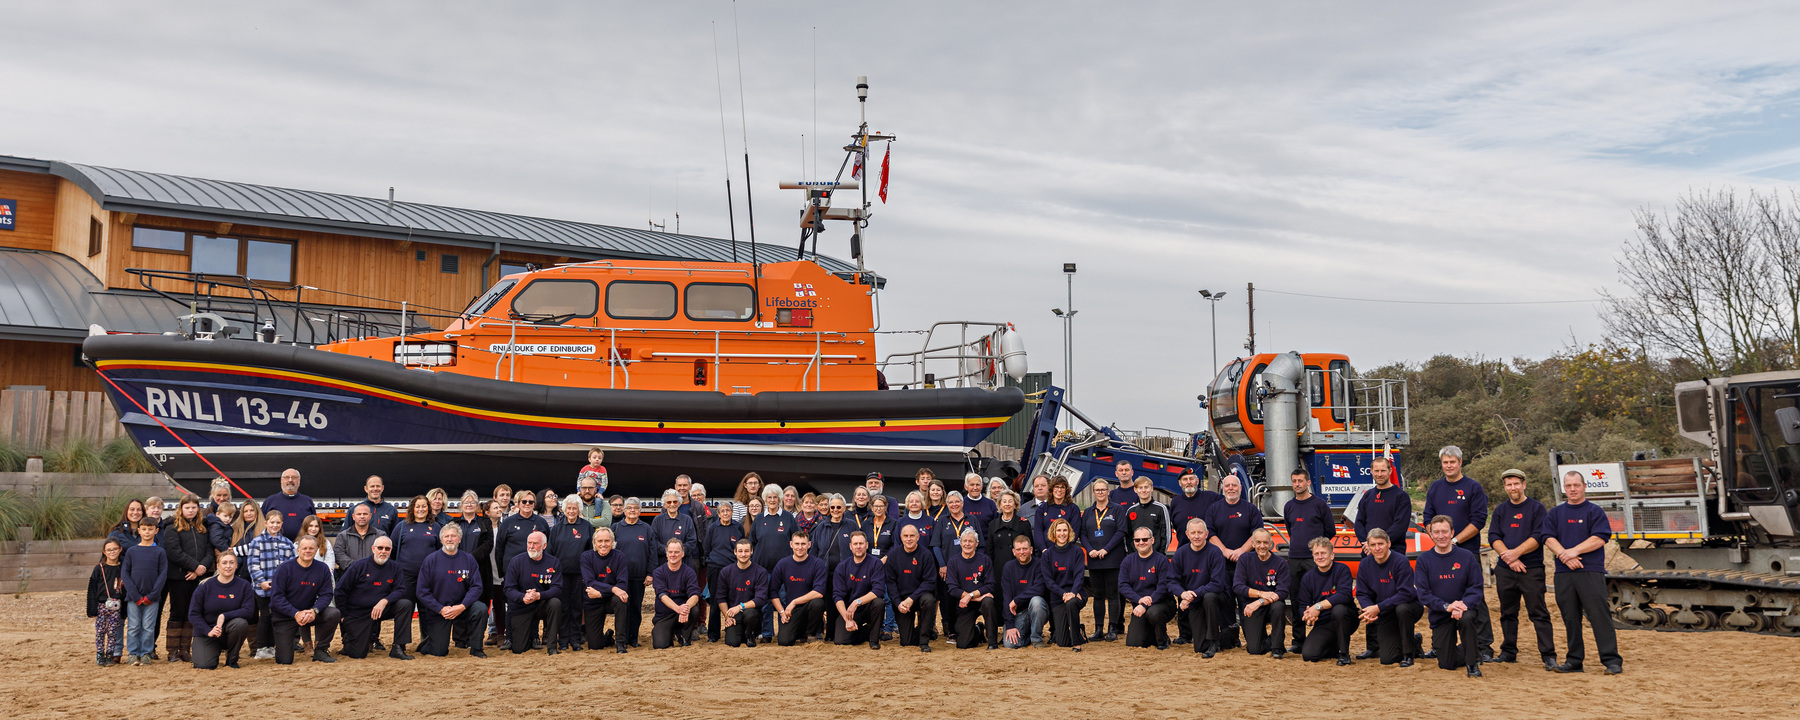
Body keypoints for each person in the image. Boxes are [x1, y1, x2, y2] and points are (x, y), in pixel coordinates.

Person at [1544, 470, 1622, 674]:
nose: (1572, 489)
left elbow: (1600, 537)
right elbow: (1548, 537)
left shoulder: (1594, 512)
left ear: (1584, 486)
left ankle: (1612, 661)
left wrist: (1573, 552)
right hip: (1563, 572)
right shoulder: (1555, 513)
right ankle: (1574, 661)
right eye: (1568, 486)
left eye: (1576, 485)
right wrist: (1564, 556)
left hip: (1590, 571)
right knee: (1570, 617)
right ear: (1564, 488)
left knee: (1599, 615)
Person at [1421, 445, 1493, 659]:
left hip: (1467, 552)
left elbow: (1479, 520)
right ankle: (1439, 644)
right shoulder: (1435, 488)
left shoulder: (1473, 487)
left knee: (1475, 598)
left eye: (1453, 462)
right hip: (1439, 554)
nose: (1449, 466)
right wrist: (1438, 540)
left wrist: (1454, 541)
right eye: (1445, 462)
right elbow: (1427, 518)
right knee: (1440, 597)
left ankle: (1483, 647)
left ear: (1460, 463)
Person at [1489, 468, 1555, 670]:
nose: (1513, 488)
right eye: (1509, 485)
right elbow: (1493, 537)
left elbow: (1538, 537)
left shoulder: (1536, 508)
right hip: (1505, 570)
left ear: (1524, 484)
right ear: (1504, 487)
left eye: (1516, 484)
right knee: (1508, 612)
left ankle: (1548, 655)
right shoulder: (1500, 510)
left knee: (1539, 612)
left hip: (1531, 569)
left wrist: (1516, 553)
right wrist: (1509, 559)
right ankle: (1509, 651)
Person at [1414, 515, 1484, 677]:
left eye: (1445, 531)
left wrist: (1462, 604)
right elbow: (1423, 594)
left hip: (1465, 609)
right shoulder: (1424, 560)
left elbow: (1476, 587)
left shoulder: (1467, 557)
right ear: (1430, 534)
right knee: (1446, 663)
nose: (1441, 536)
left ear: (1452, 532)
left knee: (1466, 619)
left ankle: (1472, 664)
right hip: (1441, 613)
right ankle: (1472, 649)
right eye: (1436, 532)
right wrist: (1447, 606)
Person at [1281, 468, 1336, 653]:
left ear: (1308, 482)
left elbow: (1330, 531)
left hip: (1315, 560)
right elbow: (1291, 530)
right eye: (1294, 481)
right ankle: (1298, 640)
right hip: (1294, 558)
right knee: (1296, 600)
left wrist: (1318, 551)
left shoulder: (1319, 505)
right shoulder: (1289, 506)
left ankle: (1324, 634)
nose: (1297, 484)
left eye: (1300, 481)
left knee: (1320, 596)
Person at [414, 522, 488, 658]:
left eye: (453, 536)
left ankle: (476, 647)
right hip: (440, 611)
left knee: (481, 609)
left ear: (459, 539)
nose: (450, 539)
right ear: (441, 539)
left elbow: (476, 587)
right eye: (446, 536)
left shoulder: (469, 559)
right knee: (439, 652)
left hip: (462, 607)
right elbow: (422, 591)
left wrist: (462, 606)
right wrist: (440, 609)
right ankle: (427, 642)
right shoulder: (430, 560)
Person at [333, 535, 412, 660]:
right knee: (357, 654)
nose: (383, 551)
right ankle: (350, 639)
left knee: (405, 604)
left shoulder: (395, 567)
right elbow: (340, 590)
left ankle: (398, 647)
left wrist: (385, 601)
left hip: (381, 609)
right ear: (373, 549)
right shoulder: (359, 566)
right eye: (380, 548)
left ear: (391, 550)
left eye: (387, 549)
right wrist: (343, 615)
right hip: (359, 613)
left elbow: (401, 590)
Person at [1206, 473, 1261, 649]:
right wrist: (1225, 551)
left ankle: (1251, 638)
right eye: (1227, 485)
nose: (1231, 488)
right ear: (1223, 488)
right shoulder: (1214, 509)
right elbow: (1210, 533)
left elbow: (1257, 535)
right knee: (1226, 603)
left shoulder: (1250, 509)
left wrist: (1240, 552)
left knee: (1245, 601)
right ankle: (1231, 639)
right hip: (1221, 565)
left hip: (1245, 565)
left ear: (1240, 488)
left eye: (1234, 485)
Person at [1354, 528, 1424, 666]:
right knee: (1388, 659)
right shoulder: (1365, 564)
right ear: (1368, 546)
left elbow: (1405, 593)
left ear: (1389, 544)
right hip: (1385, 612)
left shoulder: (1400, 561)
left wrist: (1378, 607)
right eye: (1373, 545)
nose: (1377, 548)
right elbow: (1362, 593)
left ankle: (1408, 654)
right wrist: (1368, 609)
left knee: (1402, 609)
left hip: (1409, 607)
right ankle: (1414, 641)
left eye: (1380, 544)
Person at [159, 495, 214, 663]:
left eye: (194, 507)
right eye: (187, 507)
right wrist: (193, 566)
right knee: (177, 613)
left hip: (198, 577)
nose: (191, 510)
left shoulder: (203, 527)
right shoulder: (172, 527)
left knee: (192, 613)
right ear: (181, 508)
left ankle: (185, 649)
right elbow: (173, 551)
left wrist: (201, 568)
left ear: (198, 508)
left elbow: (210, 549)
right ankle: (173, 651)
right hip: (179, 577)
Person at [270, 535, 341, 664]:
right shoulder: (285, 569)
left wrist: (315, 610)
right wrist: (295, 613)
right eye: (304, 548)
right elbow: (276, 598)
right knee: (284, 660)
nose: (308, 551)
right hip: (286, 616)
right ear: (298, 550)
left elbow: (326, 594)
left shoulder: (322, 569)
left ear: (316, 550)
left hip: (309, 614)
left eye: (311, 548)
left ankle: (321, 650)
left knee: (333, 613)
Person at [493, 489, 549, 647]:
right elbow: (500, 549)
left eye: (531, 502)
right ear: (517, 504)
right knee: (512, 604)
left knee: (534, 602)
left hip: (535, 570)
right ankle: (509, 637)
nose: (527, 505)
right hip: (512, 572)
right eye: (524, 501)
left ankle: (534, 637)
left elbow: (547, 546)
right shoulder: (508, 523)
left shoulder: (541, 522)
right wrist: (502, 570)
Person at [1172, 518, 1230, 657]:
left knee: (1209, 598)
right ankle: (1228, 636)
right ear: (1187, 534)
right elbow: (1171, 581)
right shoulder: (1181, 553)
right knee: (1199, 647)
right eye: (1193, 533)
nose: (1196, 536)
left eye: (1200, 532)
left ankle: (1214, 641)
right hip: (1195, 600)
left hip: (1217, 596)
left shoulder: (1215, 552)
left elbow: (1217, 584)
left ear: (1206, 534)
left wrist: (1191, 596)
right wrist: (1182, 594)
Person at [1296, 537, 1357, 664]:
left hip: (1346, 618)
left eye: (1323, 553)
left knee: (1338, 609)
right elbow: (1303, 604)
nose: (1320, 557)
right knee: (1309, 655)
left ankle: (1344, 654)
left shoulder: (1342, 569)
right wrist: (1308, 615)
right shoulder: (1308, 578)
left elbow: (1345, 594)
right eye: (1316, 554)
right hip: (1323, 622)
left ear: (1332, 555)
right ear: (1313, 557)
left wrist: (1318, 607)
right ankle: (1333, 647)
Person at [188, 551, 254, 669]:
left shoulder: (244, 585)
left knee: (240, 623)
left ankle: (232, 659)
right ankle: (212, 651)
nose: (228, 566)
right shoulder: (204, 586)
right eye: (224, 563)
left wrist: (224, 616)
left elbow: (248, 610)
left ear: (236, 565)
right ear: (218, 565)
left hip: (229, 631)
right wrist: (208, 631)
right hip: (207, 632)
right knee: (204, 665)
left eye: (231, 562)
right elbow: (193, 614)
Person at [243, 510, 294, 660]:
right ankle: (261, 647)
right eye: (272, 522)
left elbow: (292, 565)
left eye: (278, 523)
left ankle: (272, 646)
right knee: (265, 616)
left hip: (281, 589)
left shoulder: (287, 543)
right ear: (266, 523)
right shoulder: (257, 542)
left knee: (276, 616)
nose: (275, 525)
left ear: (282, 524)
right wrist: (261, 581)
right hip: (263, 588)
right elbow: (253, 564)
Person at [504, 531, 563, 654]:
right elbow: (508, 589)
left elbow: (557, 588)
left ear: (544, 546)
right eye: (529, 543)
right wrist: (523, 597)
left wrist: (539, 595)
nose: (531, 546)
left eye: (535, 543)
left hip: (542, 604)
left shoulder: (553, 562)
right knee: (519, 649)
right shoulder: (516, 561)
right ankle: (531, 635)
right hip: (522, 606)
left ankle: (552, 646)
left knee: (555, 603)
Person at [548, 496, 594, 650]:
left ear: (579, 509)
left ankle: (575, 638)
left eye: (575, 508)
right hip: (561, 576)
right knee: (563, 607)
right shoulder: (556, 529)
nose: (572, 511)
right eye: (569, 508)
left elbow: (590, 552)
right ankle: (562, 639)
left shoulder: (586, 527)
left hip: (579, 575)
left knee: (576, 606)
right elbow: (551, 552)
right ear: (564, 509)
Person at [1234, 528, 1288, 658]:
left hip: (1269, 605)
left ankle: (1277, 647)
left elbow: (1282, 592)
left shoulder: (1280, 563)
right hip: (1250, 607)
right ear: (1252, 544)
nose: (1262, 546)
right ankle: (1269, 639)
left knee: (1279, 606)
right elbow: (1237, 586)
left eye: (1265, 542)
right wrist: (1261, 594)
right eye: (1258, 542)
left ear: (1271, 544)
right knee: (1254, 649)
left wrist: (1260, 601)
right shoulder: (1244, 559)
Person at [1119, 526, 1176, 650]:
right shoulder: (1128, 561)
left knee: (1154, 613)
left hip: (1162, 604)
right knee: (1134, 642)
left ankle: (1162, 640)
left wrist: (1145, 604)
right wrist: (1139, 600)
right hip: (1139, 606)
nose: (1141, 543)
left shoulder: (1162, 560)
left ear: (1152, 540)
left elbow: (1163, 587)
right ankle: (1152, 633)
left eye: (1145, 539)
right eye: (1137, 540)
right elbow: (1122, 585)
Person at [1082, 478, 1125, 642]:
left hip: (1113, 558)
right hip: (1094, 560)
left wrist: (1105, 549)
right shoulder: (1087, 512)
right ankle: (1099, 629)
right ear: (1093, 493)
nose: (1100, 492)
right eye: (1097, 490)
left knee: (1113, 595)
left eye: (1103, 490)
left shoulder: (1117, 510)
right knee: (1098, 596)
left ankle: (1113, 628)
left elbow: (1121, 531)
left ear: (1108, 492)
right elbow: (1083, 533)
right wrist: (1090, 550)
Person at [885, 524, 938, 652]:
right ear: (901, 537)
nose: (909, 539)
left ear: (918, 537)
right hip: (902, 602)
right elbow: (890, 583)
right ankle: (924, 630)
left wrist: (912, 598)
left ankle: (924, 640)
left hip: (920, 598)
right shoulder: (893, 555)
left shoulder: (926, 554)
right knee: (906, 642)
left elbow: (930, 582)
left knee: (929, 600)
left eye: (912, 536)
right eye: (906, 536)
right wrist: (898, 603)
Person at [943, 527, 999, 649]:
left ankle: (992, 641)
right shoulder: (953, 561)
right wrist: (973, 598)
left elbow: (990, 585)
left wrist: (971, 595)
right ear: (960, 542)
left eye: (971, 541)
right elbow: (952, 588)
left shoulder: (985, 560)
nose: (967, 544)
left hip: (982, 601)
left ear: (977, 544)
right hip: (965, 605)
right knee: (963, 644)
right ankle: (978, 629)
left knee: (989, 602)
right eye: (965, 541)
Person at [771, 531, 828, 646]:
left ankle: (812, 633)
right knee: (784, 641)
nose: (800, 547)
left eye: (803, 544)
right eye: (797, 544)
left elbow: (819, 592)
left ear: (809, 545)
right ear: (791, 544)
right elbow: (772, 591)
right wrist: (782, 612)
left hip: (809, 608)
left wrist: (794, 601)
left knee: (817, 603)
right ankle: (801, 632)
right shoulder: (783, 564)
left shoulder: (817, 564)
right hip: (792, 612)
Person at [702, 498, 747, 642]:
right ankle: (713, 635)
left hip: (734, 568)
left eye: (728, 510)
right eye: (723, 511)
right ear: (718, 513)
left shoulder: (738, 527)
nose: (726, 513)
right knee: (716, 600)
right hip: (715, 568)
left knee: (734, 598)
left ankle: (734, 629)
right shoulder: (712, 528)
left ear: (732, 512)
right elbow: (707, 548)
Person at [122, 520, 167, 665]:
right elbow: (125, 573)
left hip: (152, 598)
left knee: (148, 626)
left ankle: (146, 652)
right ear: (139, 531)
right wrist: (135, 595)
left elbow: (162, 575)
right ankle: (133, 653)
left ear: (156, 531)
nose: (147, 532)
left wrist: (152, 595)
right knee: (134, 626)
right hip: (133, 597)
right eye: (144, 529)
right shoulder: (132, 551)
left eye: (150, 529)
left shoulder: (160, 552)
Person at [611, 497, 654, 648]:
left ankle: (633, 638)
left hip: (639, 576)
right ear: (624, 510)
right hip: (620, 578)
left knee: (636, 608)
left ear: (640, 511)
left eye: (635, 508)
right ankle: (621, 638)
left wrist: (650, 573)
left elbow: (652, 553)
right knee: (623, 608)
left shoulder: (647, 529)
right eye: (629, 508)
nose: (632, 510)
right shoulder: (616, 528)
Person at [580, 527, 632, 653]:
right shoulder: (586, 557)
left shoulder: (620, 557)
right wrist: (612, 589)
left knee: (621, 599)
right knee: (595, 645)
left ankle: (620, 642)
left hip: (611, 600)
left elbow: (623, 585)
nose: (603, 544)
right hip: (593, 602)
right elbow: (590, 582)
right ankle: (608, 638)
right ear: (594, 543)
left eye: (607, 541)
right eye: (600, 541)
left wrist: (601, 593)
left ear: (612, 542)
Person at [831, 531, 885, 649]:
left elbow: (878, 590)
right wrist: (847, 619)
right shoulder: (842, 566)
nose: (858, 546)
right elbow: (837, 595)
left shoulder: (876, 563)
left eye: (861, 543)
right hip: (849, 611)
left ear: (866, 545)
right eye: (855, 544)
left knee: (879, 602)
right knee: (840, 640)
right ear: (850, 546)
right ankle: (866, 631)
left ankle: (874, 639)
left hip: (867, 607)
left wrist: (857, 602)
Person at [1040, 518, 1088, 650]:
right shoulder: (1047, 555)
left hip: (1077, 594)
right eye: (1059, 530)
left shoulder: (1077, 551)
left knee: (1071, 603)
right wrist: (1064, 594)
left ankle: (1076, 643)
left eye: (1065, 530)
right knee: (1062, 642)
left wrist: (1073, 593)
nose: (1062, 533)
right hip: (1058, 597)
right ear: (1053, 533)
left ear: (1069, 532)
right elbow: (1049, 581)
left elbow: (1079, 575)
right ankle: (1078, 631)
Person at [715, 537, 768, 647]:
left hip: (752, 614)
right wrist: (727, 616)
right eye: (740, 551)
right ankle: (742, 634)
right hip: (734, 615)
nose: (743, 554)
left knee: (750, 614)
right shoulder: (726, 572)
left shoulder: (760, 572)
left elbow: (760, 599)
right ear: (735, 552)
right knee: (732, 642)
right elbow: (721, 597)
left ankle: (750, 634)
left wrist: (740, 606)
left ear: (752, 551)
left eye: (747, 551)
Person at [651, 537, 702, 648]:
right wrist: (677, 608)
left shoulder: (689, 572)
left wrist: (685, 608)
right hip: (665, 615)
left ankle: (684, 636)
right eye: (670, 552)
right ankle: (668, 633)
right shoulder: (658, 572)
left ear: (682, 554)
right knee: (660, 645)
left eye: (677, 552)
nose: (673, 555)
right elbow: (662, 596)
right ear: (666, 554)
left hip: (684, 614)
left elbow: (695, 595)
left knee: (694, 609)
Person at [1352, 457, 1411, 550]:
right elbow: (1359, 522)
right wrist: (1369, 544)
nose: (1379, 474)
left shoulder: (1401, 496)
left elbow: (1400, 526)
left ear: (1390, 471)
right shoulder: (1367, 495)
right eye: (1376, 471)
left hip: (1393, 552)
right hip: (1369, 552)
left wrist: (1379, 544)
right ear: (1371, 471)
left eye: (1383, 471)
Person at [999, 534, 1046, 649]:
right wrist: (1009, 625)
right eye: (1018, 550)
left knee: (1037, 601)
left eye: (1025, 549)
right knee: (1010, 645)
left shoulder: (1039, 564)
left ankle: (1036, 638)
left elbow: (1040, 588)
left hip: (1035, 610)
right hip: (1018, 613)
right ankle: (1028, 636)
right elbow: (1007, 597)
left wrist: (1017, 599)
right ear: (1014, 552)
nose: (1022, 552)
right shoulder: (1008, 567)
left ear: (1031, 550)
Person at [1167, 471, 1223, 559]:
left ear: (1197, 481)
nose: (1188, 482)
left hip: (1209, 556)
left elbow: (1230, 504)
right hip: (1184, 556)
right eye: (1185, 479)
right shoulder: (1175, 502)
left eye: (1191, 479)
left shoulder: (1212, 498)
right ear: (1180, 483)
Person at [89, 538, 127, 666]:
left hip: (116, 606)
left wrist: (124, 609)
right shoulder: (99, 568)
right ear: (104, 552)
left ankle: (110, 655)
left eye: (115, 549)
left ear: (120, 549)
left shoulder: (123, 567)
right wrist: (91, 609)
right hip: (101, 605)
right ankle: (100, 655)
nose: (112, 552)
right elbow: (92, 589)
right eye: (109, 550)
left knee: (113, 632)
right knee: (100, 632)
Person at [334, 504, 386, 581]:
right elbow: (339, 555)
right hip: (349, 579)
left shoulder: (380, 535)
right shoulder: (342, 536)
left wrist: (369, 568)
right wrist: (357, 567)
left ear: (370, 516)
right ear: (353, 516)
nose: (362, 516)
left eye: (365, 514)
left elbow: (383, 554)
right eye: (359, 514)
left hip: (373, 578)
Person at [262, 468, 315, 540]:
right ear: (281, 481)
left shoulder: (307, 501)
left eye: (294, 477)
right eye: (287, 477)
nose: (290, 480)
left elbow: (314, 524)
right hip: (276, 546)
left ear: (299, 481)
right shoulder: (270, 501)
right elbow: (261, 524)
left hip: (303, 547)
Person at [650, 489, 700, 566]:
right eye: (669, 502)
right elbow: (653, 541)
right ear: (665, 504)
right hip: (663, 563)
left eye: (675, 501)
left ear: (679, 503)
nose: (672, 504)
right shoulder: (657, 520)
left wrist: (678, 553)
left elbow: (692, 541)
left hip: (684, 563)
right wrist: (668, 552)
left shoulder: (687, 520)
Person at [1031, 477, 1079, 549]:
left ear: (1066, 490)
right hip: (1045, 553)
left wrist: (1062, 550)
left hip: (1065, 552)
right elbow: (1038, 532)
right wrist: (1043, 549)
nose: (1059, 490)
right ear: (1052, 489)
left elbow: (1074, 532)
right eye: (1056, 487)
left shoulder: (1073, 509)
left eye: (1062, 487)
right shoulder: (1042, 508)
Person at [988, 490, 1031, 560]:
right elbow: (990, 550)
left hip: (1019, 566)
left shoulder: (1023, 524)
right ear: (1000, 505)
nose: (1007, 504)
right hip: (998, 566)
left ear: (1015, 504)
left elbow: (1030, 548)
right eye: (1004, 501)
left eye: (1010, 501)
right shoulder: (993, 525)